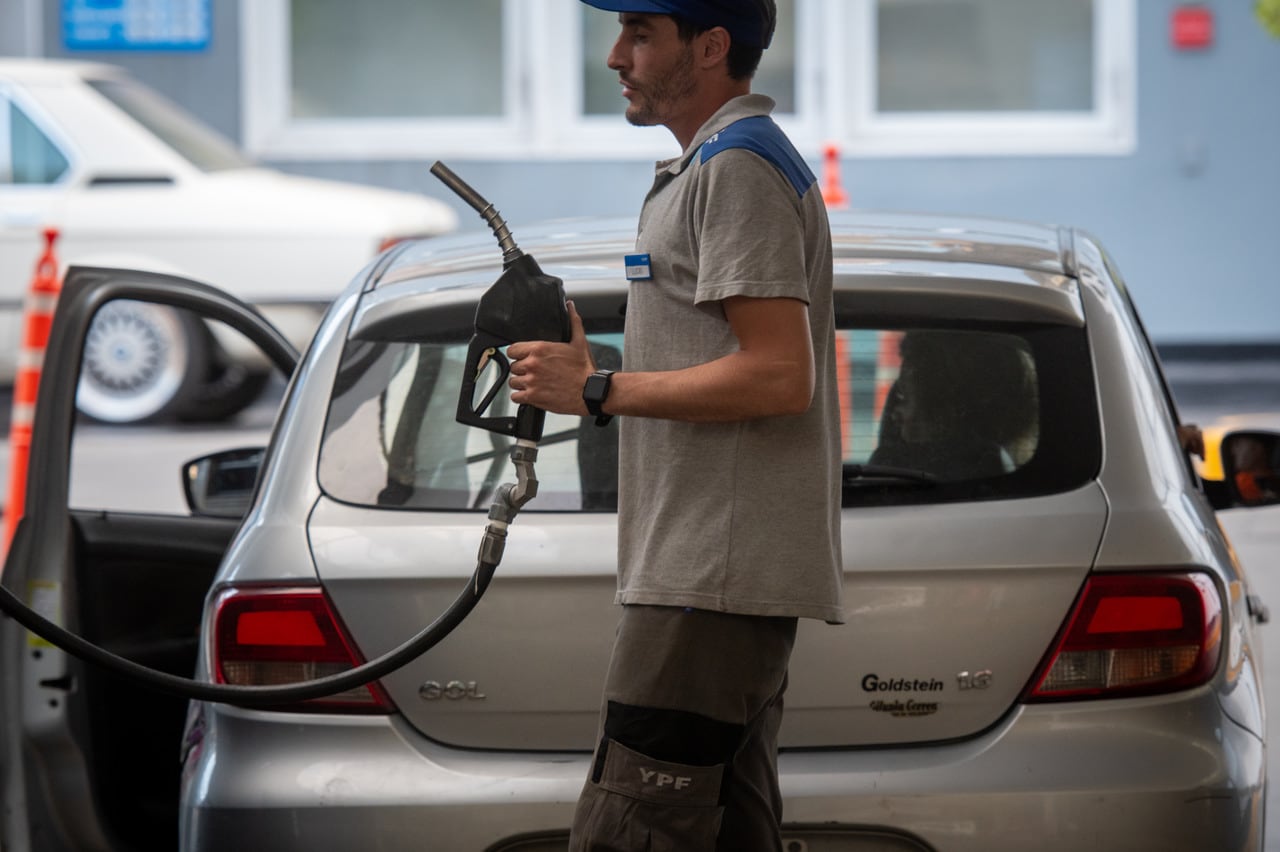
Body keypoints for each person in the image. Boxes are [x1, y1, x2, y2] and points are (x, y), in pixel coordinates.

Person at [504, 1, 843, 848]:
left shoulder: (737, 170)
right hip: (703, 576)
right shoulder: (708, 168)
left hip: (707, 583)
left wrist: (597, 390)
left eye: (641, 35)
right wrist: (596, 367)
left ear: (713, 46)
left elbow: (777, 373)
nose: (616, 55)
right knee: (727, 830)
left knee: (635, 828)